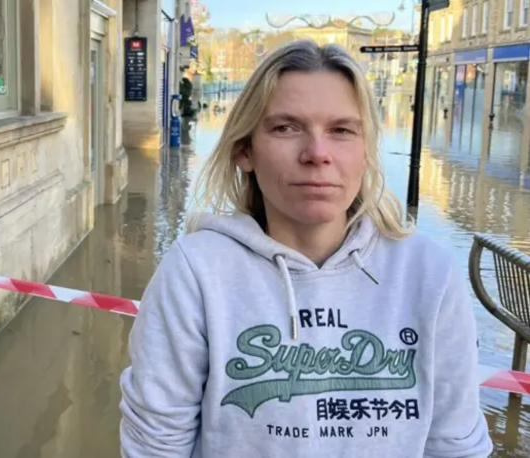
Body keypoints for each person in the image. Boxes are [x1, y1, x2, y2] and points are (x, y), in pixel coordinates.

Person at [118, 40, 493, 458]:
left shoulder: (431, 274)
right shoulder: (195, 272)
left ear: (366, 150)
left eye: (342, 130)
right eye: (286, 128)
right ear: (245, 150)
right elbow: (156, 444)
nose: (317, 154)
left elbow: (455, 443)